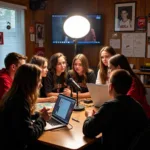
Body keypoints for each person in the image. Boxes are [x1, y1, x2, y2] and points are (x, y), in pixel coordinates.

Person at [83, 69, 148, 150]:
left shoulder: (110, 106)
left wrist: (89, 117)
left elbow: (88, 131)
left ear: (111, 86)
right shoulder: (137, 106)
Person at [0, 64, 50, 150]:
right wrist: (42, 119)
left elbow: (20, 119)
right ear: (30, 83)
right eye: (39, 81)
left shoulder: (12, 95)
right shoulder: (20, 102)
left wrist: (37, 115)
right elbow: (30, 136)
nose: (41, 85)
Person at [108, 54, 150, 119]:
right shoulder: (124, 80)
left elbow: (126, 104)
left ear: (118, 68)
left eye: (110, 68)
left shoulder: (133, 82)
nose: (109, 71)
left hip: (141, 119)